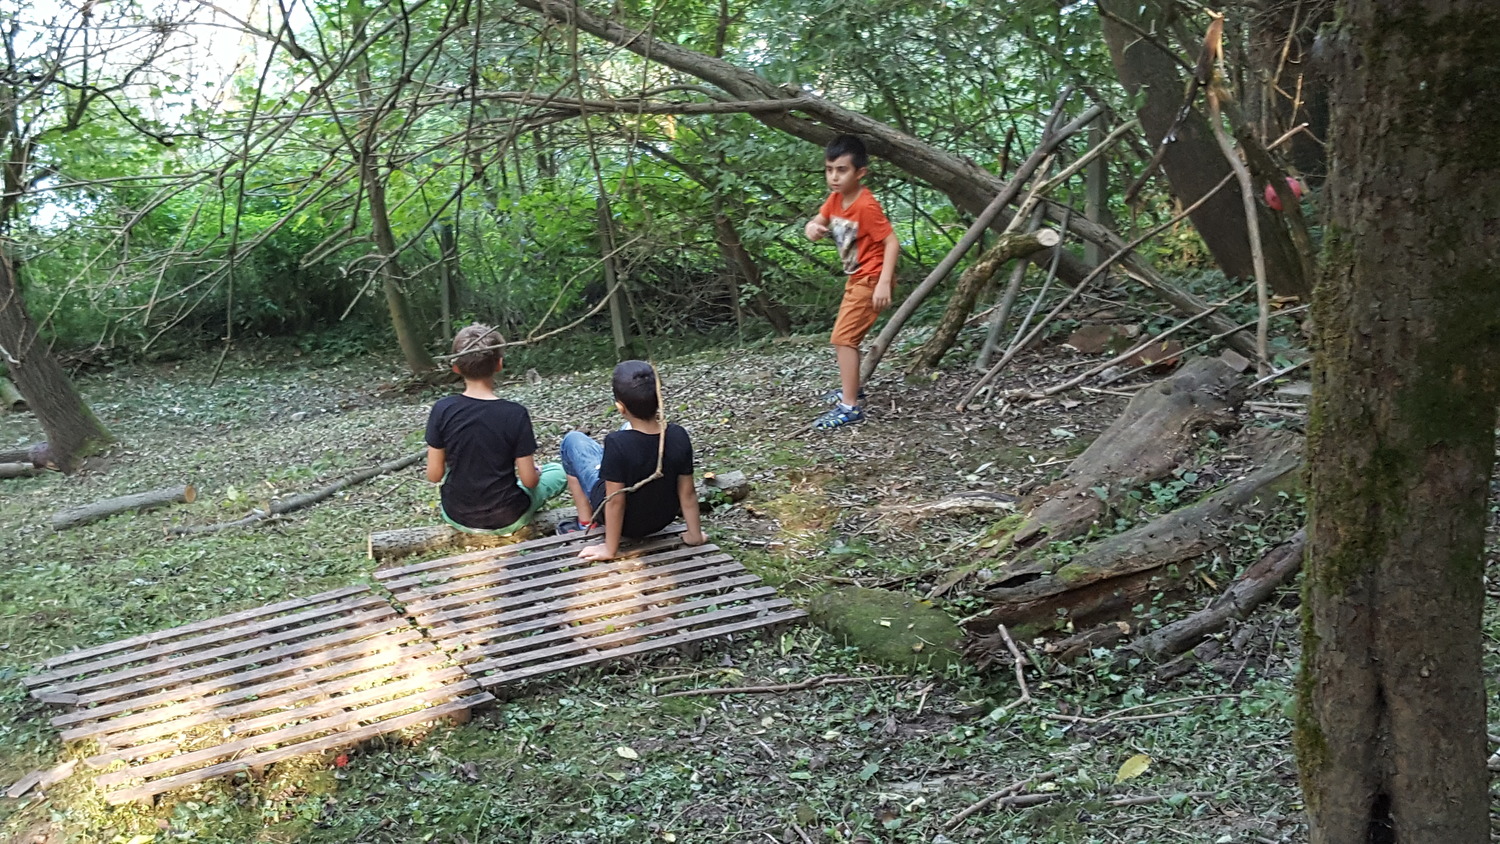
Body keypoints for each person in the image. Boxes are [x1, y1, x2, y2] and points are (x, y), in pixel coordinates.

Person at [424, 323, 565, 533]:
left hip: (457, 514)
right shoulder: (515, 413)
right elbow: (529, 481)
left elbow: (434, 475)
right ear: (499, 364)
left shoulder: (442, 409)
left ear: (456, 368)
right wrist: (535, 471)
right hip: (508, 516)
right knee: (557, 471)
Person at [559, 360, 705, 561]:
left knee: (572, 440)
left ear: (620, 407)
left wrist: (610, 549)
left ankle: (586, 522)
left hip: (627, 525)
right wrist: (695, 535)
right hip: (661, 519)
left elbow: (615, 501)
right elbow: (687, 492)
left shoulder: (616, 443)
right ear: (659, 398)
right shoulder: (678, 435)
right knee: (627, 434)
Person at [804, 133, 900, 429]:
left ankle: (850, 407)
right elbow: (817, 222)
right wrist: (812, 228)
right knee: (845, 338)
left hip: (871, 278)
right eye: (829, 170)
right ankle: (852, 391)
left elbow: (892, 242)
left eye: (842, 170)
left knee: (843, 339)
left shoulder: (865, 205)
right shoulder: (835, 199)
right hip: (856, 277)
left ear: (860, 173)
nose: (834, 177)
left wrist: (883, 283)